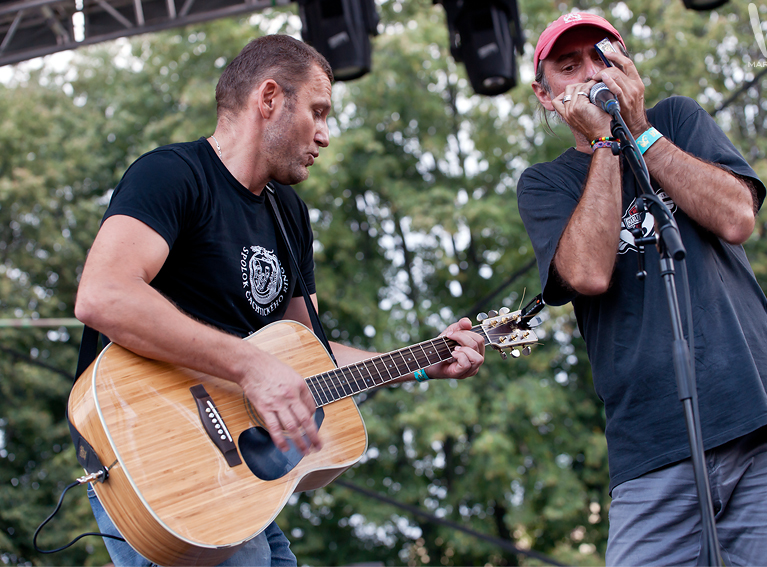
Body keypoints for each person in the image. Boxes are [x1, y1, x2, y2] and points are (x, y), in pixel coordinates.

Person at [74, 34, 485, 566]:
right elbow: (103, 295)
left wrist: (428, 361)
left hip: (236, 481)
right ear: (268, 99)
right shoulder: (172, 175)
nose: (325, 134)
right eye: (317, 112)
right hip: (151, 456)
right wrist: (249, 366)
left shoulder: (289, 214)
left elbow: (308, 358)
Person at [517, 13, 767, 566]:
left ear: (627, 62)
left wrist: (642, 134)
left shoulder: (678, 119)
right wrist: (609, 143)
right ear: (545, 95)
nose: (592, 73)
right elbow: (587, 274)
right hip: (651, 445)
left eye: (602, 57)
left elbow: (736, 217)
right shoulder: (545, 183)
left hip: (762, 421)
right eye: (569, 66)